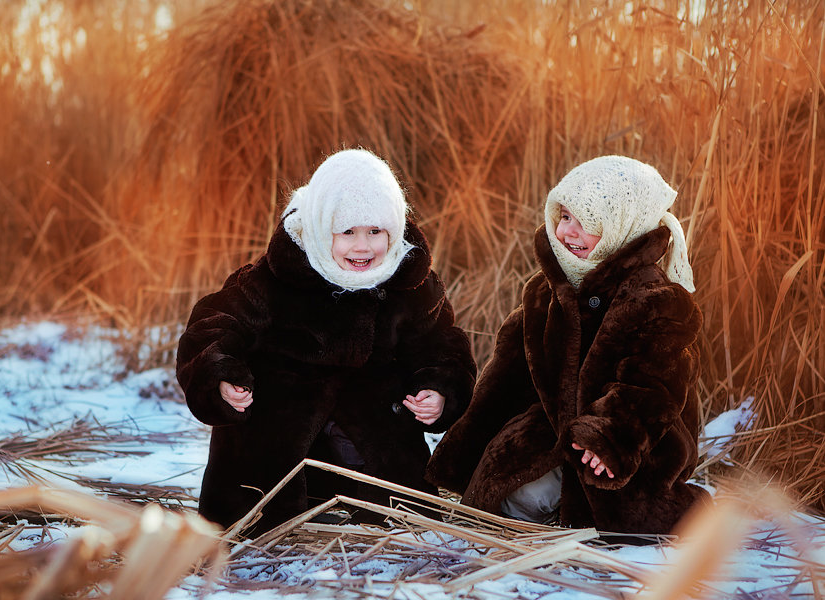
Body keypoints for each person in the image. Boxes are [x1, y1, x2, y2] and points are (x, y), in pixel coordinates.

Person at [176, 148, 476, 532]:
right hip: (279, 433)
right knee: (260, 491)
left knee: (402, 512)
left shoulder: (410, 284)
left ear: (394, 228)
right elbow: (212, 325)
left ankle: (374, 506)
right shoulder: (273, 278)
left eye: (375, 232)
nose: (363, 247)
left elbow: (442, 344)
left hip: (372, 435)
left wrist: (440, 389)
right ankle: (272, 509)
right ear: (321, 228)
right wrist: (218, 374)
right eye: (347, 232)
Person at [426, 155, 711, 536]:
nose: (569, 233)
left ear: (622, 228)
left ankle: (688, 509)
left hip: (633, 446)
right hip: (554, 432)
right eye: (565, 218)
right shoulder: (545, 292)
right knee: (506, 498)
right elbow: (505, 378)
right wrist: (464, 449)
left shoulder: (655, 299)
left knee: (633, 518)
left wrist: (611, 438)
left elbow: (653, 385)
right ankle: (547, 507)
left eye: (588, 224)